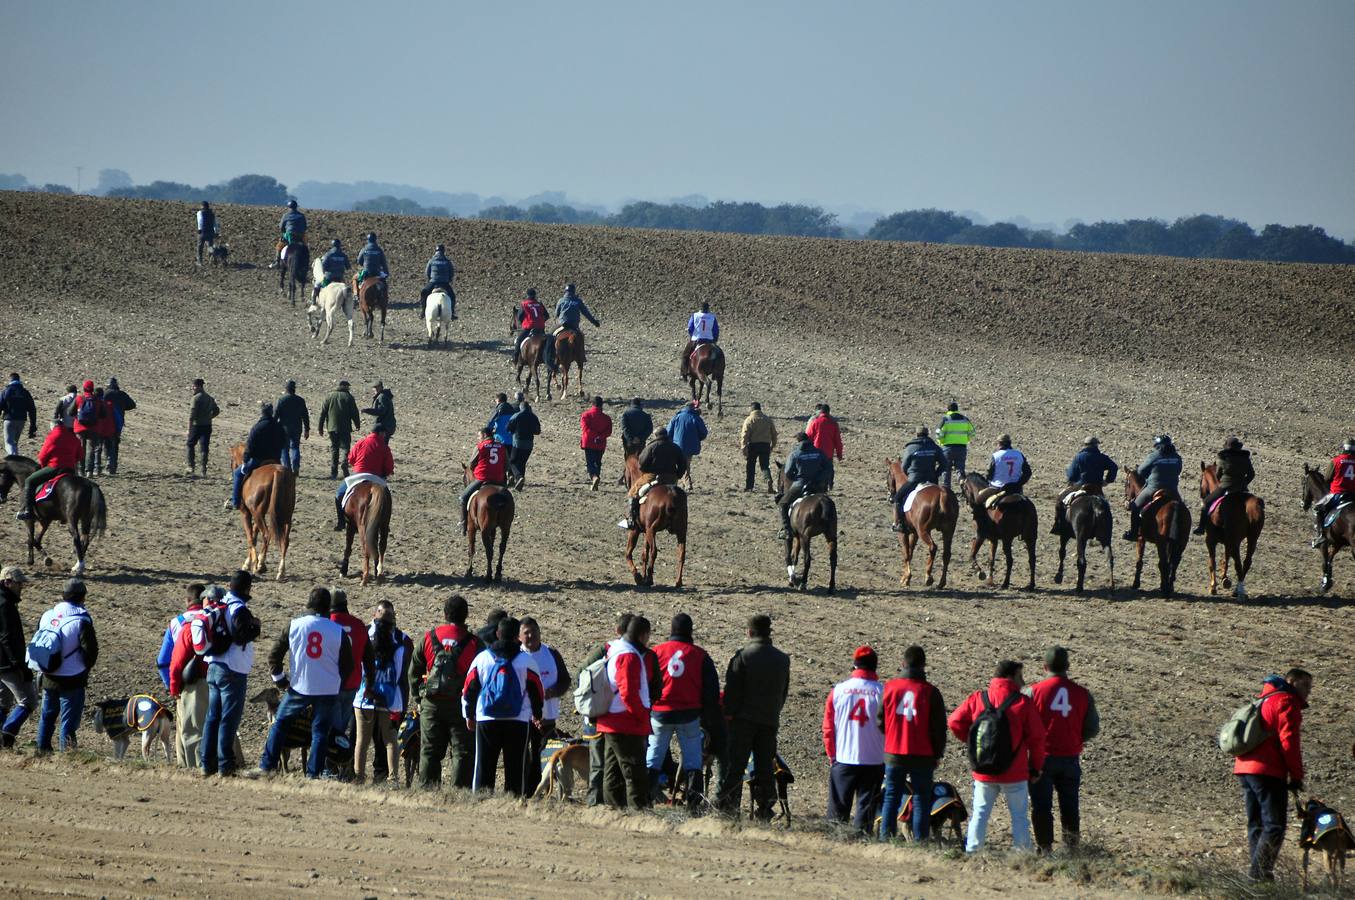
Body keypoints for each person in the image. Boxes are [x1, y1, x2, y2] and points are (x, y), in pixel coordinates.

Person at [947, 659, 1047, 853]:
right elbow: (1037, 739)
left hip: (984, 770)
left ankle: (973, 852)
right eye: (1020, 676)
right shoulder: (1023, 703)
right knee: (1019, 816)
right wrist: (1035, 767)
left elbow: (954, 721)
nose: (1023, 680)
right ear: (1011, 676)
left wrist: (973, 742)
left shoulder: (978, 698)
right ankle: (1022, 854)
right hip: (1015, 772)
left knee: (980, 813)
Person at [253, 587, 353, 779]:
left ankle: (267, 766)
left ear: (308, 603)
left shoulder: (294, 625)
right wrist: (338, 683)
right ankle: (313, 774)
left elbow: (274, 656)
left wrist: (281, 681)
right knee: (320, 732)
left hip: (300, 686)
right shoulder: (338, 631)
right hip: (327, 688)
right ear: (328, 608)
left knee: (280, 723)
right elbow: (348, 666)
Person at [1234, 668, 1311, 882]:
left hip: (1244, 768)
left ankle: (1258, 876)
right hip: (1268, 770)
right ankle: (1258, 876)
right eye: (1305, 685)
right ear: (1291, 681)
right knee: (1274, 825)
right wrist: (1296, 776)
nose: (1308, 692)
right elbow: (1289, 741)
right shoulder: (1287, 701)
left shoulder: (1264, 698)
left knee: (1256, 823)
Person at [718, 614, 791, 820]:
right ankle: (765, 809)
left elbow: (732, 691)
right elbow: (783, 692)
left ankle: (728, 809)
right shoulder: (782, 659)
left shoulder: (742, 656)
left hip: (743, 721)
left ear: (749, 632)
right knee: (765, 768)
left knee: (736, 766)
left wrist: (729, 715)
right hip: (769, 720)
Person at [1029, 646, 1099, 855]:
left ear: (1044, 667)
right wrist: (1076, 738)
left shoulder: (1033, 691)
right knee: (1070, 805)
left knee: (1041, 805)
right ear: (1068, 667)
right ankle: (1071, 847)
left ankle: (1045, 847)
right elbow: (1093, 727)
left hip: (1041, 758)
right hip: (1070, 757)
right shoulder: (1082, 694)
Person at [462, 616, 544, 795]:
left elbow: (469, 689)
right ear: (517, 636)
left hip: (486, 718)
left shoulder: (482, 658)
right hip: (518, 720)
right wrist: (537, 714)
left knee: (484, 765)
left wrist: (469, 715)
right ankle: (512, 804)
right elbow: (537, 691)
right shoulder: (527, 661)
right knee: (515, 767)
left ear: (497, 634)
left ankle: (482, 802)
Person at [646, 613, 720, 808]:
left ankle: (643, 802)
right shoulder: (700, 655)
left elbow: (645, 682)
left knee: (653, 756)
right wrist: (707, 719)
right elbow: (711, 692)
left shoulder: (657, 652)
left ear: (671, 630)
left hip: (660, 712)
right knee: (693, 760)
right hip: (689, 714)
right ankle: (694, 806)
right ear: (691, 631)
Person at [409, 595, 483, 789]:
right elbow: (481, 675)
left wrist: (419, 696)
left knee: (430, 752)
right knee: (462, 752)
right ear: (466, 615)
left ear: (445, 614)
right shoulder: (474, 643)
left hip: (431, 703)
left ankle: (428, 791)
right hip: (460, 705)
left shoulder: (429, 637)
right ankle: (459, 794)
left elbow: (414, 670)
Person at [879, 645, 948, 842]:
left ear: (903, 664)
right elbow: (939, 729)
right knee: (921, 798)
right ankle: (920, 841)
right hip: (923, 754)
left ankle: (886, 839)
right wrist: (937, 754)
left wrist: (891, 735)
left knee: (891, 795)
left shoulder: (890, 687)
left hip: (894, 751)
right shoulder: (931, 692)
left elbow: (879, 720)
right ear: (924, 665)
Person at [823, 646, 885, 834]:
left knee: (838, 810)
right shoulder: (883, 692)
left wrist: (832, 754)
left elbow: (828, 727)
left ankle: (837, 839)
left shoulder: (838, 691)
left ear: (854, 665)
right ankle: (861, 839)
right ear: (875, 666)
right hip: (874, 759)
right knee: (866, 809)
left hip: (843, 756)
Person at [200, 570, 256, 777]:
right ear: (247, 588)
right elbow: (242, 636)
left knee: (212, 717)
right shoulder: (239, 608)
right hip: (232, 669)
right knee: (228, 719)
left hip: (214, 666)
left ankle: (207, 763)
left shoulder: (220, 604)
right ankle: (225, 765)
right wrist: (256, 627)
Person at [33, 578, 97, 753]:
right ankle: (67, 754)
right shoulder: (82, 619)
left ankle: (42, 750)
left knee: (47, 716)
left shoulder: (47, 615)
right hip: (72, 678)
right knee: (68, 721)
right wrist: (84, 669)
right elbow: (90, 652)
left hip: (48, 674)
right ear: (82, 597)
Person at [597, 615, 653, 809]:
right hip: (626, 723)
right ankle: (639, 815)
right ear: (643, 635)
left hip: (612, 721)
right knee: (635, 774)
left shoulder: (615, 649)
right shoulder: (628, 656)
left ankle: (614, 813)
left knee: (613, 773)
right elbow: (628, 693)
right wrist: (640, 716)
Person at [354, 602, 408, 785]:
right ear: (393, 619)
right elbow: (402, 674)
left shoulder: (364, 633)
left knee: (362, 740)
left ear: (374, 615)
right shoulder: (402, 639)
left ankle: (359, 777)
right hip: (390, 697)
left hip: (364, 695)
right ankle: (393, 780)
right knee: (391, 740)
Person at [169, 585, 220, 768]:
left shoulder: (186, 625)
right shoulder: (223, 621)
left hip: (196, 683)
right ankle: (228, 764)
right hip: (221, 681)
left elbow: (174, 662)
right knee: (221, 725)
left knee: (192, 729)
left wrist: (174, 688)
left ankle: (195, 767)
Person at [519, 617, 571, 797]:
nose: (531, 635)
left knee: (544, 757)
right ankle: (525, 791)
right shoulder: (517, 655)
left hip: (548, 715)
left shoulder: (552, 653)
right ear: (519, 636)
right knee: (524, 756)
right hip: (524, 717)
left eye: (534, 631)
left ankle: (541, 792)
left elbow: (566, 680)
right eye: (526, 632)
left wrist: (553, 691)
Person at [619, 426, 687, 531]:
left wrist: (646, 471)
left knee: (633, 492)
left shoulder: (652, 446)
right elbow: (683, 464)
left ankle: (631, 520)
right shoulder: (675, 447)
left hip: (653, 476)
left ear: (656, 436)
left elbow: (641, 463)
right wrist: (678, 475)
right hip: (671, 478)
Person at [16, 413, 80, 522]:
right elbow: (79, 455)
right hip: (70, 468)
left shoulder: (52, 436)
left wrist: (43, 465)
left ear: (53, 426)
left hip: (55, 467)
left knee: (29, 481)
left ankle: (28, 511)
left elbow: (42, 456)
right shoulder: (73, 436)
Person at [0, 566, 37, 748]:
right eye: (18, 583)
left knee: (3, 702)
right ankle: (7, 734)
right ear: (7, 582)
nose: (21, 586)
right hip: (7, 664)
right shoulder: (5, 605)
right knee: (29, 700)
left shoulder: (5, 601)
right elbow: (7, 637)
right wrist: (19, 666)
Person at [1051, 436, 1119, 534]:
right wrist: (1107, 480)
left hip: (1080, 486)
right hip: (1097, 488)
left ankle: (1058, 525)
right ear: (1096, 445)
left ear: (1085, 445)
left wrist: (1072, 479)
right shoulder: (1102, 457)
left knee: (1060, 499)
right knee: (1105, 507)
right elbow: (1114, 467)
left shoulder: (1079, 457)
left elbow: (1071, 475)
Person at [1123, 434, 1184, 541]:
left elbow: (1140, 471)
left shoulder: (1154, 456)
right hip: (1172, 489)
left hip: (1153, 488)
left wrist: (1150, 475)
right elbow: (1178, 470)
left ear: (1157, 445)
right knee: (1182, 508)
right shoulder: (1177, 457)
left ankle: (1133, 533)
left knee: (1135, 507)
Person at [329, 590, 369, 751]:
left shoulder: (327, 623)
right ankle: (339, 762)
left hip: (331, 683)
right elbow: (367, 656)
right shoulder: (359, 624)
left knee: (332, 728)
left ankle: (330, 765)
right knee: (342, 726)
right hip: (353, 683)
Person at [335, 422, 394, 531]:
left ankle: (341, 522)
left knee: (339, 494)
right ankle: (385, 524)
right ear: (381, 433)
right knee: (387, 500)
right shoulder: (385, 447)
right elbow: (389, 468)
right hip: (377, 478)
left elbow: (351, 459)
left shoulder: (361, 442)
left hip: (358, 475)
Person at [227, 403, 285, 511]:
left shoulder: (258, 427)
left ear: (262, 413)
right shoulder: (278, 426)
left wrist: (245, 461)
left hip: (259, 460)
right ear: (271, 413)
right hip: (275, 460)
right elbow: (284, 443)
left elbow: (250, 445)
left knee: (237, 473)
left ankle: (235, 502)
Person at [1194, 436, 1255, 535]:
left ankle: (1201, 528)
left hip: (1225, 486)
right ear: (1239, 448)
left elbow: (1218, 475)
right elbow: (1251, 474)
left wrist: (1222, 482)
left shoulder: (1224, 458)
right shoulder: (1245, 458)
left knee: (1205, 503)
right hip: (1242, 488)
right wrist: (1244, 483)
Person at [777, 433, 832, 539]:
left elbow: (788, 472)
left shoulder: (794, 454)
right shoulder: (819, 452)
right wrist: (819, 479)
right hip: (817, 486)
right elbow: (828, 468)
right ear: (809, 440)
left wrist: (797, 478)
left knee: (782, 504)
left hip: (800, 485)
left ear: (798, 442)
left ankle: (787, 531)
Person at [892, 426, 947, 531]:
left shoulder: (911, 448)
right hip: (931, 480)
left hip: (914, 480)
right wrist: (936, 474)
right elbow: (944, 463)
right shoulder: (934, 447)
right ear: (927, 434)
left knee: (897, 498)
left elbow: (904, 466)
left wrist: (910, 474)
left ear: (916, 434)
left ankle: (899, 524)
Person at [156, 582, 206, 692]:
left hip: (185, 685)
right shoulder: (212, 618)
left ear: (187, 601)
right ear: (205, 600)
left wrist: (171, 686)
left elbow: (162, 661)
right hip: (212, 684)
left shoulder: (175, 623)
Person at [459, 426, 508, 533]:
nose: (478, 438)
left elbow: (471, 464)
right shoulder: (501, 446)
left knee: (463, 498)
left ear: (485, 435)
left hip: (483, 478)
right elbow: (506, 465)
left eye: (479, 436)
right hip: (498, 479)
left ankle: (463, 524)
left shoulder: (480, 446)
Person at [546, 283, 601, 373]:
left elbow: (556, 314)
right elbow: (586, 313)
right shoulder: (578, 301)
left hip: (563, 325)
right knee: (581, 338)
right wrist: (594, 322)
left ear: (565, 291)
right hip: (574, 326)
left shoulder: (561, 300)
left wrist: (561, 317)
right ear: (574, 291)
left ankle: (551, 355)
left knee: (551, 335)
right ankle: (581, 356)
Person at [1310, 439, 1355, 549]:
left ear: (1344, 448)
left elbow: (1327, 478)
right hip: (1353, 495)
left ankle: (1320, 536)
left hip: (1338, 493)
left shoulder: (1336, 461)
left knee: (1317, 509)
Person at [976, 434, 1033, 507]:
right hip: (1016, 489)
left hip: (997, 487)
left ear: (999, 443)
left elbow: (990, 473)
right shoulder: (1019, 454)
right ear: (1010, 443)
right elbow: (1028, 472)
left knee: (978, 500)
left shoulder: (996, 456)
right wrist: (1018, 484)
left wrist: (988, 480)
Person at [739, 402, 778, 493]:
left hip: (753, 445)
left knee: (751, 466)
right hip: (765, 445)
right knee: (765, 466)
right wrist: (773, 445)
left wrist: (743, 447)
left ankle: (749, 487)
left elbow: (745, 434)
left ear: (751, 409)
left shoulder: (749, 419)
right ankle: (768, 479)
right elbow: (774, 434)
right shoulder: (767, 419)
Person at [274, 380, 310, 474]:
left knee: (284, 448)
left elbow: (275, 415)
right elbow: (305, 416)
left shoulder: (281, 400)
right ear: (294, 389)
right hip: (297, 428)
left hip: (284, 429)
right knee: (295, 448)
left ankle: (287, 468)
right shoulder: (300, 400)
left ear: (286, 389)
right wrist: (307, 430)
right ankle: (296, 467)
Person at [186, 378, 219, 478]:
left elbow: (192, 415)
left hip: (197, 425)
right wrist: (209, 417)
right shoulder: (209, 398)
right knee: (204, 447)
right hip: (207, 425)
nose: (193, 388)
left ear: (198, 386)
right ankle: (203, 469)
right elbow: (217, 410)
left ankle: (190, 466)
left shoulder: (196, 398)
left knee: (190, 444)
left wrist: (189, 429)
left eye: (194, 386)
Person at [102, 378, 136, 475]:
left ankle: (108, 463)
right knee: (115, 443)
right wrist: (122, 407)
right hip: (118, 422)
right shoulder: (122, 394)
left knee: (106, 443)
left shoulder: (105, 394)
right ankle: (113, 466)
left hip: (107, 422)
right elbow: (132, 405)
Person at [937, 401, 975, 488]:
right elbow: (972, 433)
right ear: (957, 409)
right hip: (961, 447)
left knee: (946, 469)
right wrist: (965, 439)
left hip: (948, 448)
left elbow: (938, 433)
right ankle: (962, 483)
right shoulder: (965, 419)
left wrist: (941, 442)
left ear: (948, 409)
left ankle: (947, 488)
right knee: (960, 469)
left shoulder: (945, 419)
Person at [71, 380, 105, 476]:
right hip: (94, 428)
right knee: (91, 448)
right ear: (93, 388)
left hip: (79, 428)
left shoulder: (79, 398)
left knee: (81, 448)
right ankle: (89, 470)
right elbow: (104, 415)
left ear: (84, 388)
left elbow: (70, 412)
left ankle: (81, 470)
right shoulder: (98, 400)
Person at [668, 401, 708, 478]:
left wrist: (671, 441)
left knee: (676, 463)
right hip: (690, 446)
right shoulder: (696, 418)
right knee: (686, 464)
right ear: (693, 407)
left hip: (676, 445)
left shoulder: (676, 417)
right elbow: (704, 433)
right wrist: (697, 439)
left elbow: (669, 432)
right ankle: (687, 482)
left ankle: (676, 481)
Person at [1, 373, 37, 457]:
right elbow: (32, 409)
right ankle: (14, 463)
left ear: (10, 380)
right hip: (21, 420)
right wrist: (33, 425)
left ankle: (14, 459)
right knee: (14, 443)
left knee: (9, 443)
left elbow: (0, 405)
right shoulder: (25, 392)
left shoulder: (6, 391)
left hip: (9, 419)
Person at [506, 398, 540, 489]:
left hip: (518, 442)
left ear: (521, 407)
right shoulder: (534, 417)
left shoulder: (516, 416)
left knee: (512, 461)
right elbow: (538, 431)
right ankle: (520, 483)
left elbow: (508, 428)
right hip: (529, 444)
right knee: (522, 462)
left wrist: (513, 431)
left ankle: (518, 477)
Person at [580, 396, 612, 491]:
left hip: (589, 442)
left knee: (590, 463)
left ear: (592, 404)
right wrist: (600, 437)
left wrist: (595, 436)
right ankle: (596, 477)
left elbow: (585, 428)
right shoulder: (607, 418)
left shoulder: (586, 415)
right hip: (600, 443)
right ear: (602, 405)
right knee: (598, 462)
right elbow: (609, 431)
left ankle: (594, 477)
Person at [680, 301, 720, 377]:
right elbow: (716, 330)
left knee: (685, 355)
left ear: (700, 308)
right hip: (709, 340)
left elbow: (690, 328)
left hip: (697, 340)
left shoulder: (695, 315)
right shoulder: (712, 317)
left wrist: (692, 336)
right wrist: (715, 339)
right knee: (717, 355)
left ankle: (684, 373)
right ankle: (716, 372)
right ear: (708, 308)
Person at [419, 244, 456, 316]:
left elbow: (427, 272)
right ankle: (452, 312)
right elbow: (451, 272)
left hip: (433, 282)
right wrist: (449, 279)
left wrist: (430, 279)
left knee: (424, 293)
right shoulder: (447, 261)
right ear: (443, 252)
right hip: (445, 283)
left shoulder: (431, 261)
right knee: (452, 296)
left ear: (436, 251)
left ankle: (423, 312)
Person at [512, 288, 547, 363]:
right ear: (535, 295)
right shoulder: (540, 304)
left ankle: (515, 358)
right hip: (540, 328)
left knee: (519, 340)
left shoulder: (524, 304)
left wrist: (523, 322)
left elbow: (519, 317)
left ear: (527, 295)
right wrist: (540, 321)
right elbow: (547, 316)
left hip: (529, 327)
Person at [806, 403, 844, 469]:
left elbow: (809, 437)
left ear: (820, 412)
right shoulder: (833, 424)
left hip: (816, 452)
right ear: (829, 412)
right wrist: (839, 455)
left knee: (815, 472)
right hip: (828, 454)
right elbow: (838, 442)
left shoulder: (815, 422)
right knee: (827, 474)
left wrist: (806, 451)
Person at [312, 239, 350, 303]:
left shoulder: (328, 254)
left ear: (332, 245)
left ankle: (314, 302)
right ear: (339, 245)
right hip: (340, 277)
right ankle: (347, 301)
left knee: (317, 284)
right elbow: (348, 267)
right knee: (345, 288)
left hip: (329, 277)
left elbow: (323, 266)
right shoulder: (343, 255)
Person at [195, 200, 217, 265]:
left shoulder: (200, 213)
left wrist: (199, 229)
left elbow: (200, 221)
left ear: (202, 206)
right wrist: (216, 231)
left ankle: (200, 261)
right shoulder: (212, 214)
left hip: (203, 232)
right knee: (210, 247)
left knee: (200, 247)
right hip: (210, 232)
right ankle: (212, 260)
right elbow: (215, 223)